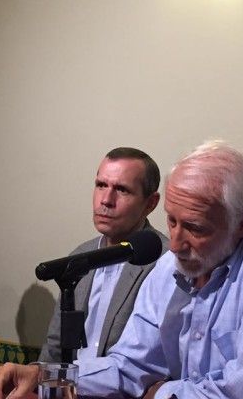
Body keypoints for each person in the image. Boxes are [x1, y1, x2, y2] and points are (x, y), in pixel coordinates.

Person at [0, 140, 243, 399]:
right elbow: (129, 366)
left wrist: (162, 392)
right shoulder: (169, 267)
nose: (176, 243)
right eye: (171, 221)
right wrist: (44, 375)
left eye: (195, 228)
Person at [38, 147, 169, 363]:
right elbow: (54, 348)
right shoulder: (80, 257)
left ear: (150, 203)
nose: (106, 200)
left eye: (122, 190)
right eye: (101, 185)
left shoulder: (164, 261)